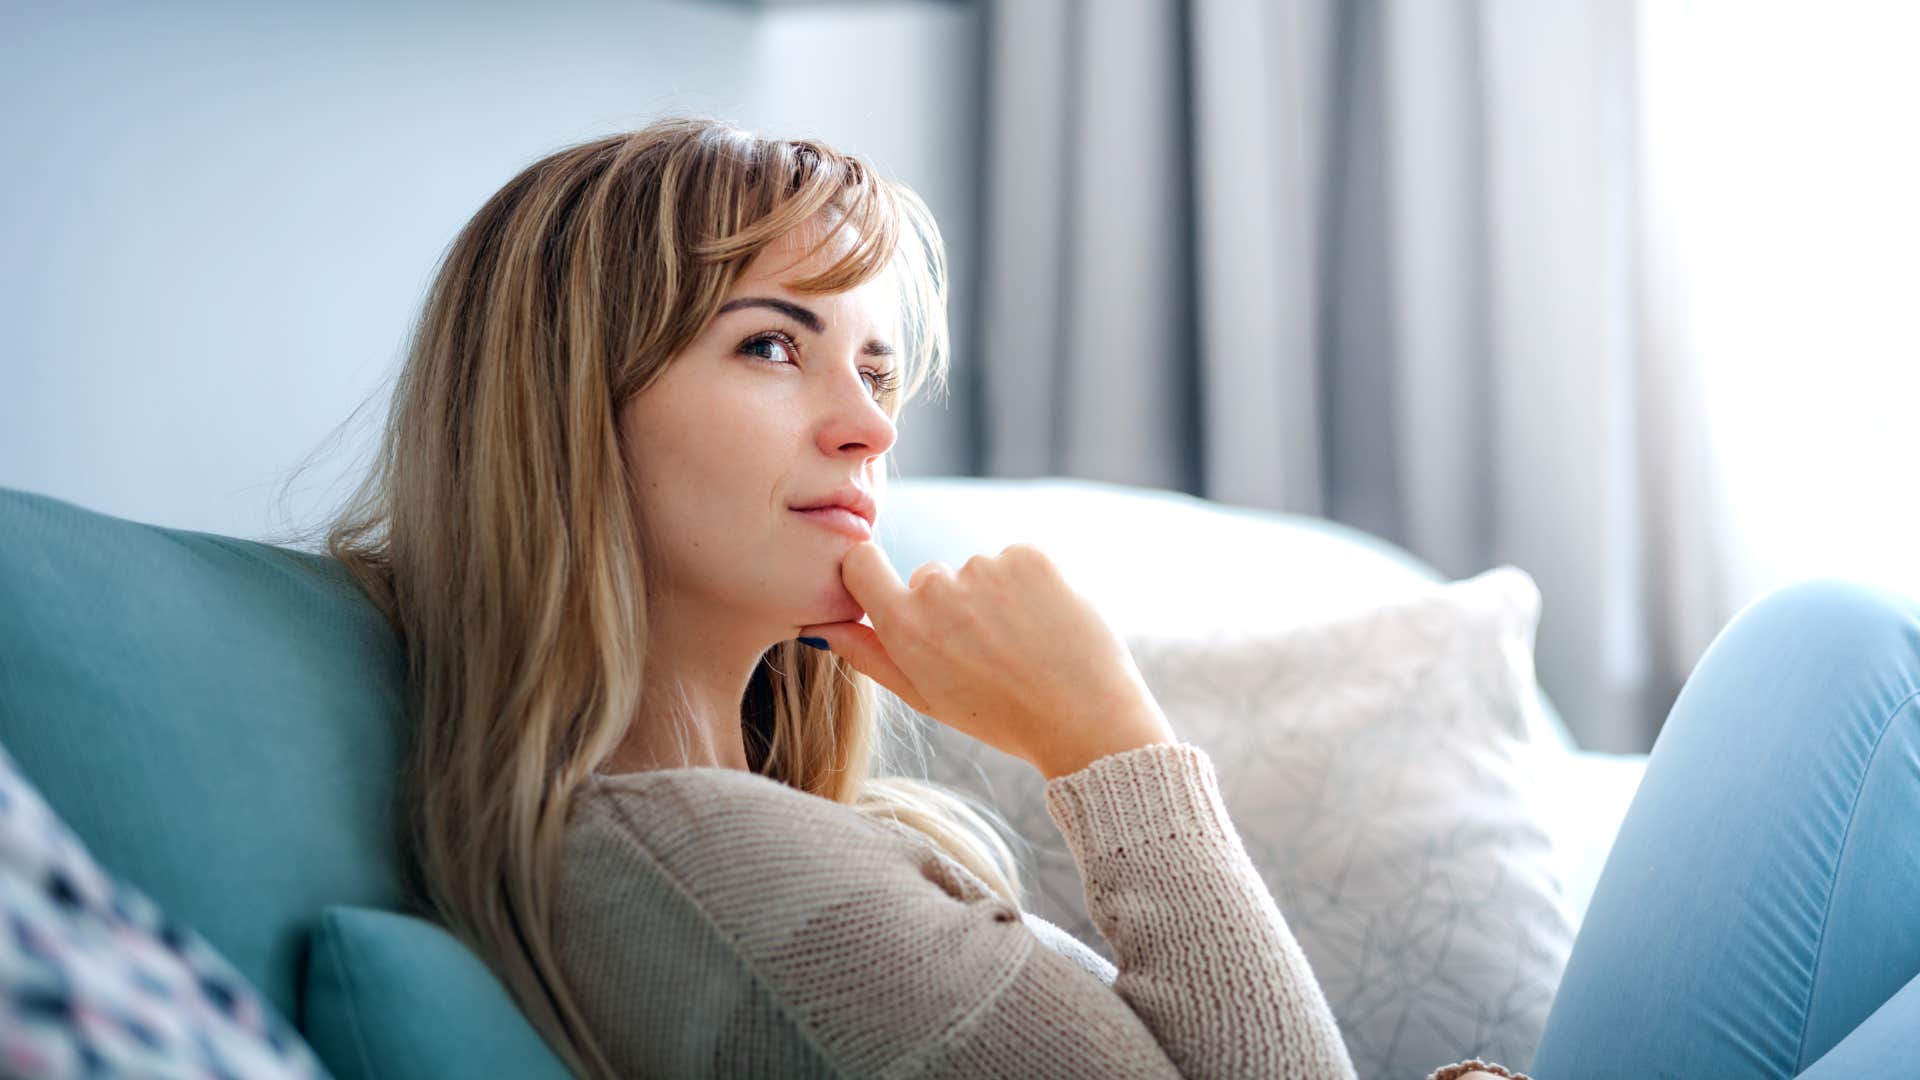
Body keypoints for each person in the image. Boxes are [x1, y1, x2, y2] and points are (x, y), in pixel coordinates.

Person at [317, 118, 1920, 1079]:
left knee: (1834, 649)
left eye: (877, 362)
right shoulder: (704, 870)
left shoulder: (759, 828)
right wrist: (1106, 740)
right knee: (1834, 656)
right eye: (770, 344)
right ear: (564, 412)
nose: (870, 420)